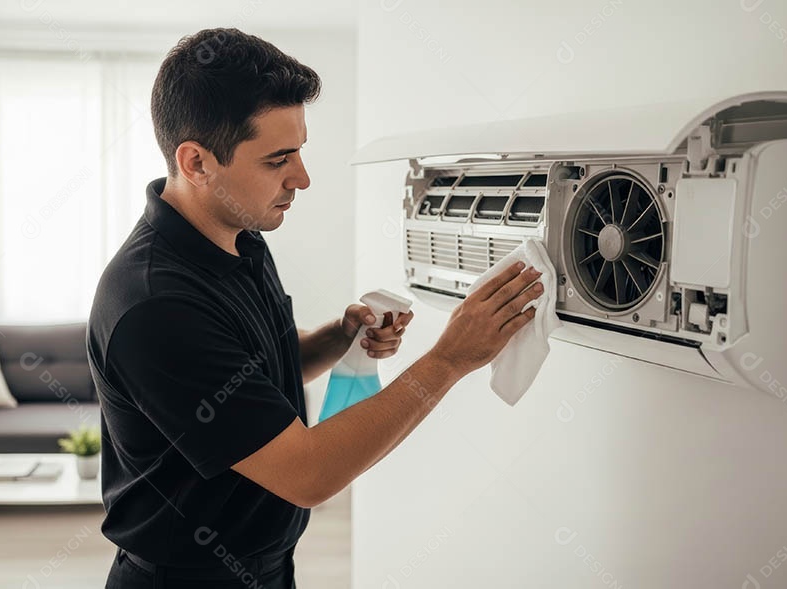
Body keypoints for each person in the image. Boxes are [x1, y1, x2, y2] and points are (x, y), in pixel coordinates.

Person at [87, 27, 543, 589]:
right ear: (197, 162)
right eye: (279, 159)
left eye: (299, 150)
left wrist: (336, 338)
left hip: (267, 567)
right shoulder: (156, 306)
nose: (302, 177)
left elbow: (246, 382)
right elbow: (308, 473)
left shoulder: (239, 234)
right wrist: (449, 359)